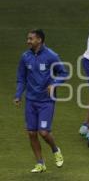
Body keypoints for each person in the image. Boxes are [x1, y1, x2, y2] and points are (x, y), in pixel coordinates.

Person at [14, 29, 68, 173]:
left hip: (46, 101)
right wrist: (18, 95)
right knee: (32, 133)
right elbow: (21, 78)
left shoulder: (51, 56)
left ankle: (56, 150)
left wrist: (55, 83)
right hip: (31, 101)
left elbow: (64, 73)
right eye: (28, 38)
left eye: (31, 39)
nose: (28, 41)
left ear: (39, 40)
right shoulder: (25, 57)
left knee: (43, 132)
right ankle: (40, 163)